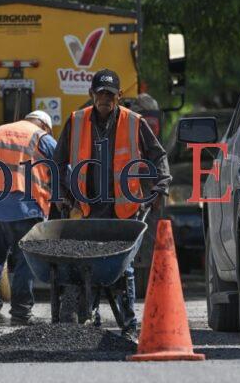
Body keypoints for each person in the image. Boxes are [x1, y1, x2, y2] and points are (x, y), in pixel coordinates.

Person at [53, 69, 171, 340]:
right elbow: (57, 163)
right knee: (88, 266)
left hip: (125, 210)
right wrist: (64, 194)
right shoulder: (77, 121)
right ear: (91, 94)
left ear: (119, 96)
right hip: (88, 209)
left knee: (124, 268)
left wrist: (159, 187)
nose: (105, 98)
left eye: (110, 94)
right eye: (100, 93)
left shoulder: (134, 122)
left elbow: (158, 155)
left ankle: (128, 326)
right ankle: (91, 323)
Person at [0, 110, 57, 325]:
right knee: (25, 260)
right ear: (45, 125)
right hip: (24, 207)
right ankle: (21, 312)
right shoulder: (42, 137)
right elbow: (62, 168)